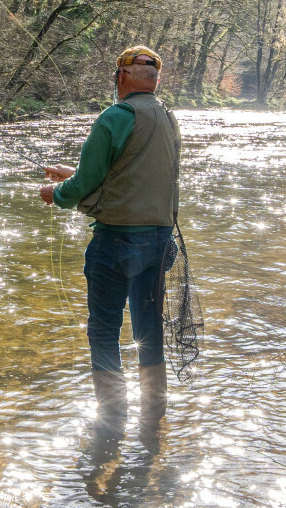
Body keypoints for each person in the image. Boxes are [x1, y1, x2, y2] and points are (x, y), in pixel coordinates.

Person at [38, 45, 181, 435]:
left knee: (103, 330)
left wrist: (57, 193)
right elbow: (132, 175)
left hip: (116, 244)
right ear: (155, 80)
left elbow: (84, 185)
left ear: (122, 77)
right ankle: (154, 415)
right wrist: (71, 174)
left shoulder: (113, 117)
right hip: (159, 243)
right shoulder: (169, 119)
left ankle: (112, 417)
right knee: (148, 331)